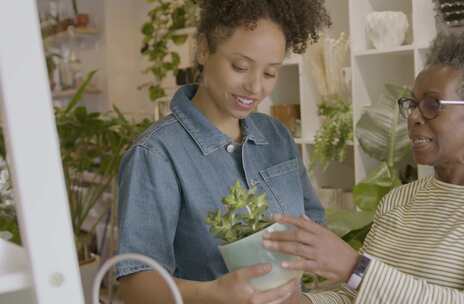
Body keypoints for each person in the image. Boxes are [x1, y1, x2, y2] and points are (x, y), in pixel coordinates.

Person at [263, 32, 464, 303]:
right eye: (412, 104)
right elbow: (355, 297)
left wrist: (353, 267)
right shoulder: (400, 200)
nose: (413, 118)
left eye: (433, 104)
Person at [116, 0, 331, 303]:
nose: (255, 87)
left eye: (270, 73)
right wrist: (211, 294)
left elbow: (314, 226)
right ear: (204, 49)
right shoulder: (156, 154)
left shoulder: (276, 136)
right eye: (240, 67)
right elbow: (135, 284)